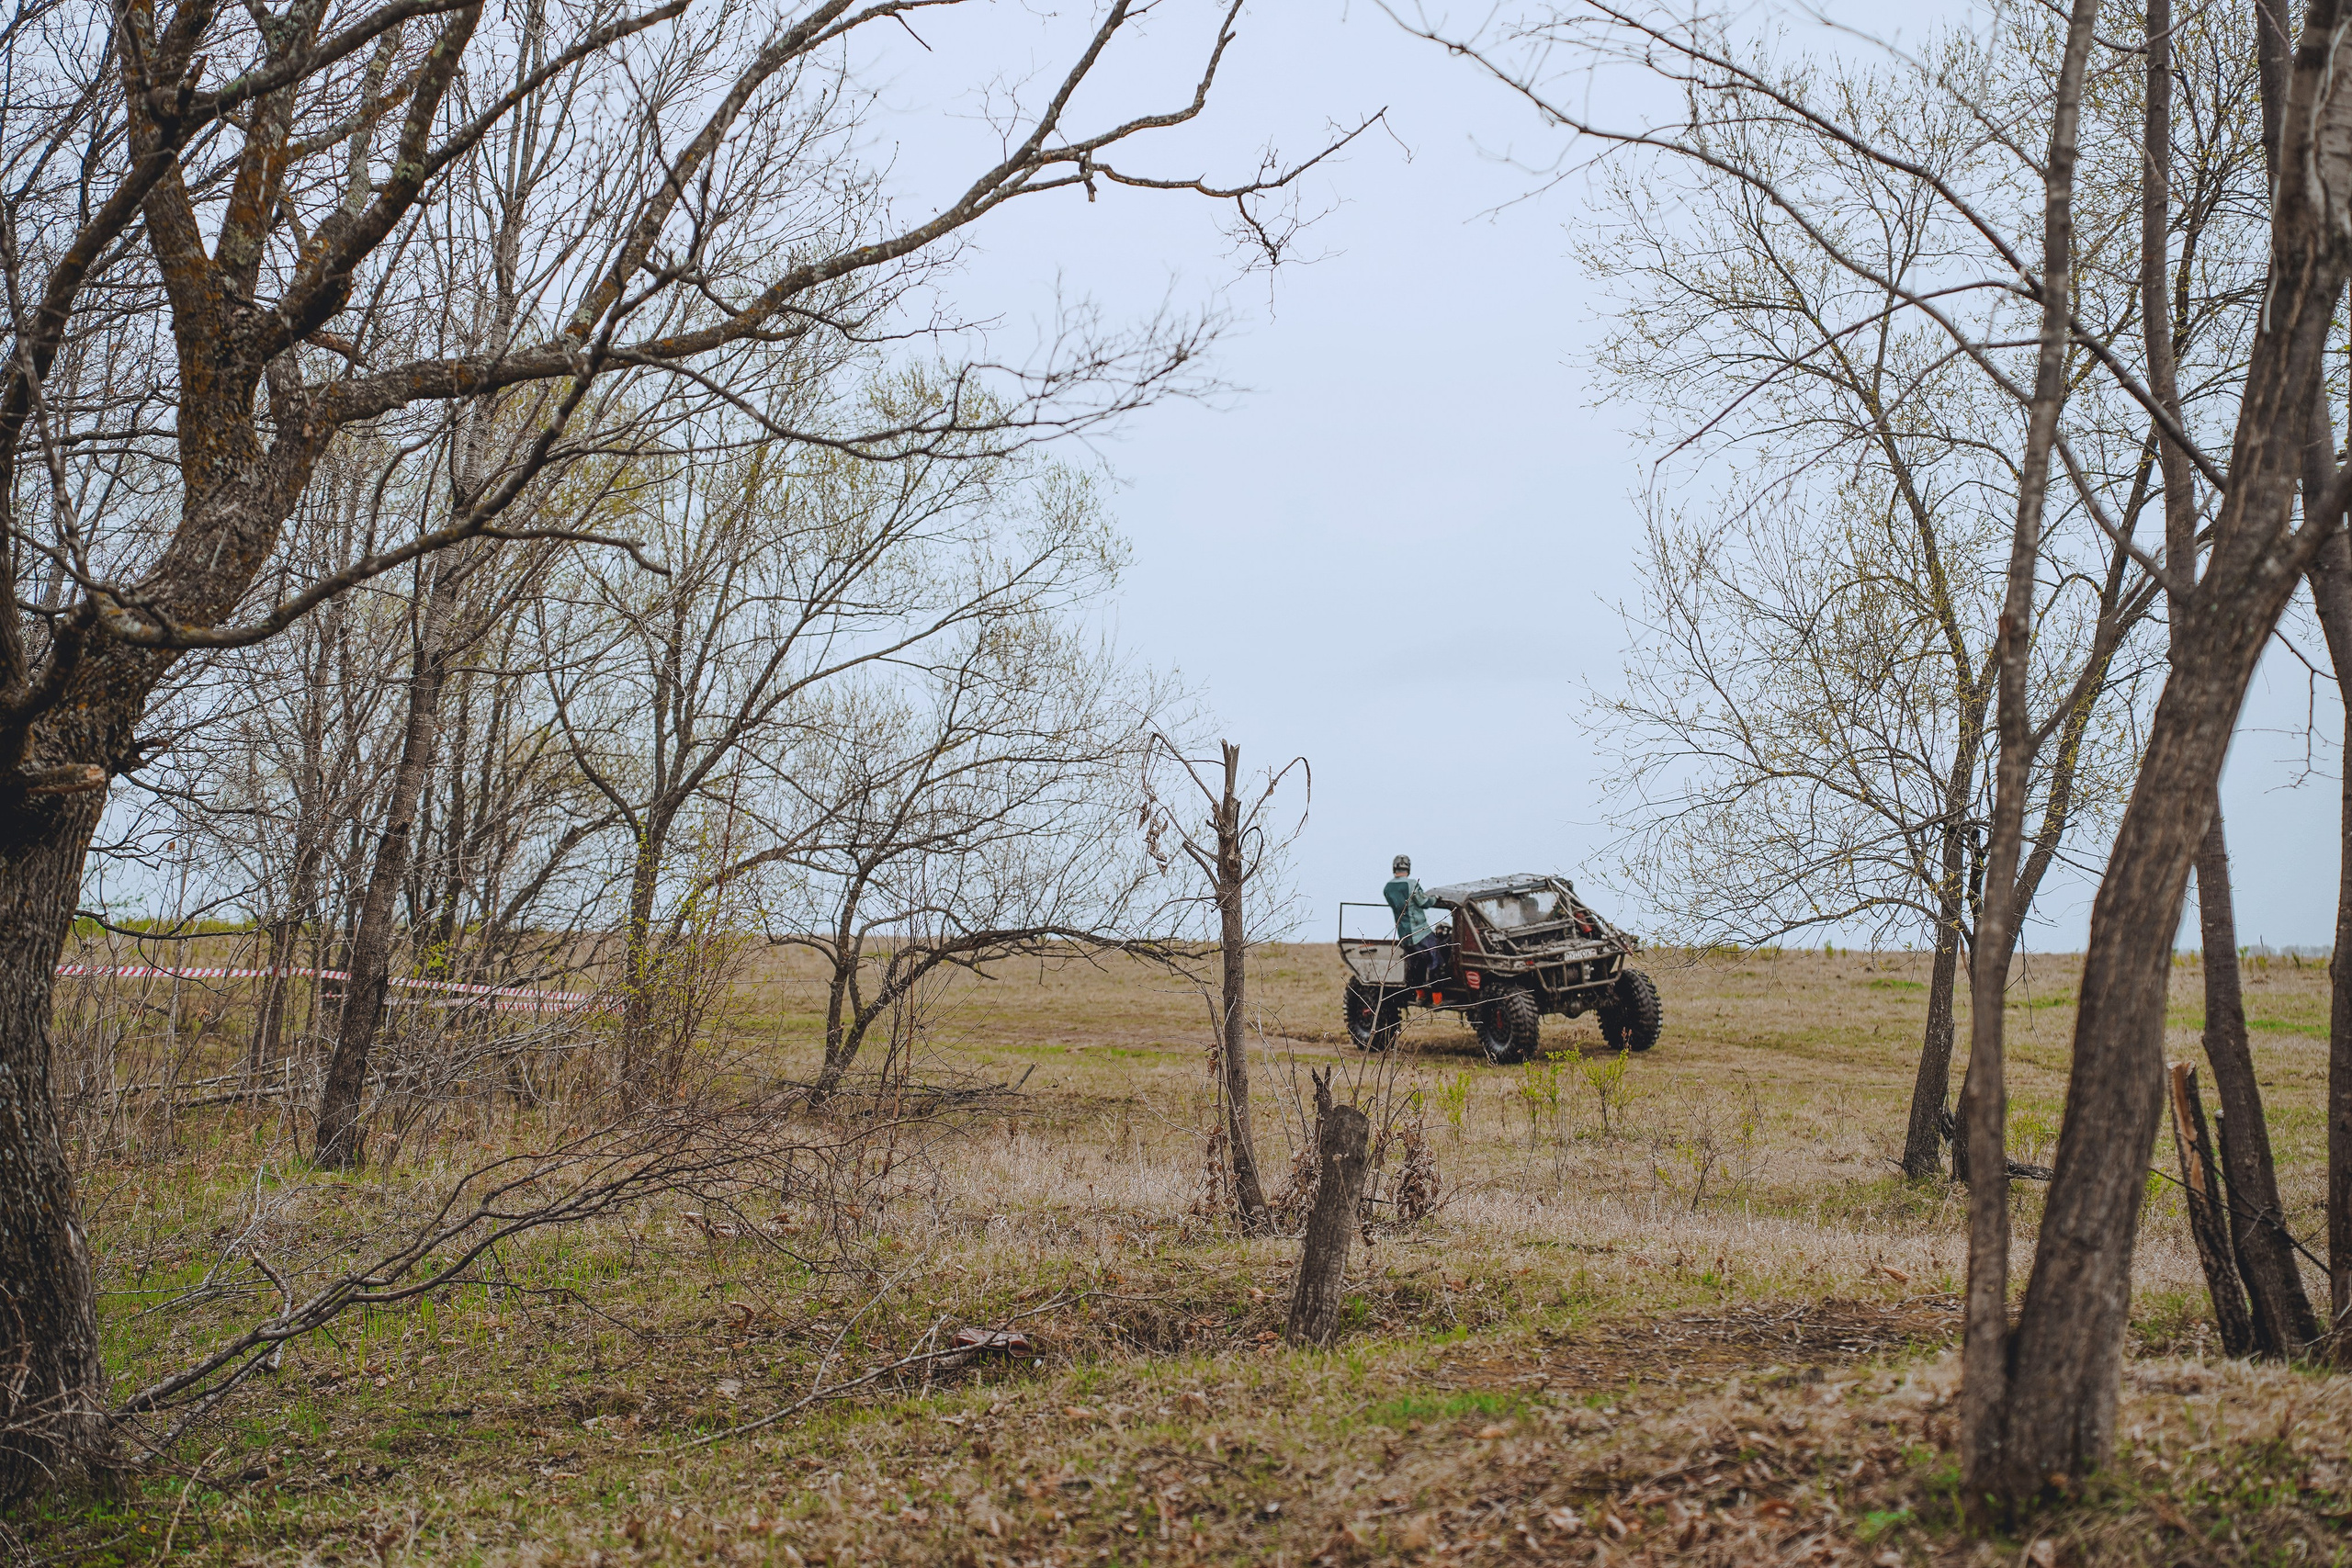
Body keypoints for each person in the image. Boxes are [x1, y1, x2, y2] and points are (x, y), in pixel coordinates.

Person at [1384, 854, 1448, 989]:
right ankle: (1438, 998)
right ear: (1408, 868)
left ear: (1394, 869)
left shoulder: (1387, 888)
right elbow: (1424, 902)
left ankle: (1420, 995)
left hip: (1404, 935)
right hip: (1420, 932)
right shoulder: (1411, 884)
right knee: (1437, 961)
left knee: (1415, 964)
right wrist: (1435, 898)